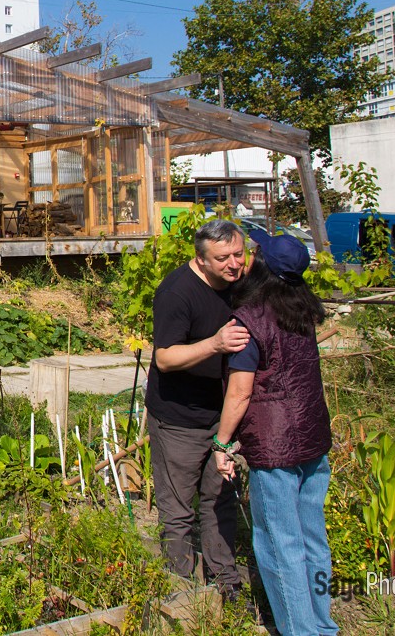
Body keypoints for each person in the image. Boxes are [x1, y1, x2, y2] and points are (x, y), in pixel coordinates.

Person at [212, 232, 337, 636]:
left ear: (262, 265)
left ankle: (300, 631)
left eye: (253, 254)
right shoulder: (301, 308)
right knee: (312, 538)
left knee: (280, 545)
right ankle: (322, 623)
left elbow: (240, 390)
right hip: (313, 436)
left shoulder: (248, 318)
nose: (246, 259)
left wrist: (222, 442)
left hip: (276, 444)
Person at [145, 218, 250, 599]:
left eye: (239, 254)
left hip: (223, 416)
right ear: (201, 259)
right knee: (178, 513)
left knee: (220, 501)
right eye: (223, 258)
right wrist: (215, 344)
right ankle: (184, 594)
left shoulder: (239, 283)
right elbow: (166, 359)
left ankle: (226, 585)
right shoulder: (177, 292)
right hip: (180, 418)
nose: (234, 264)